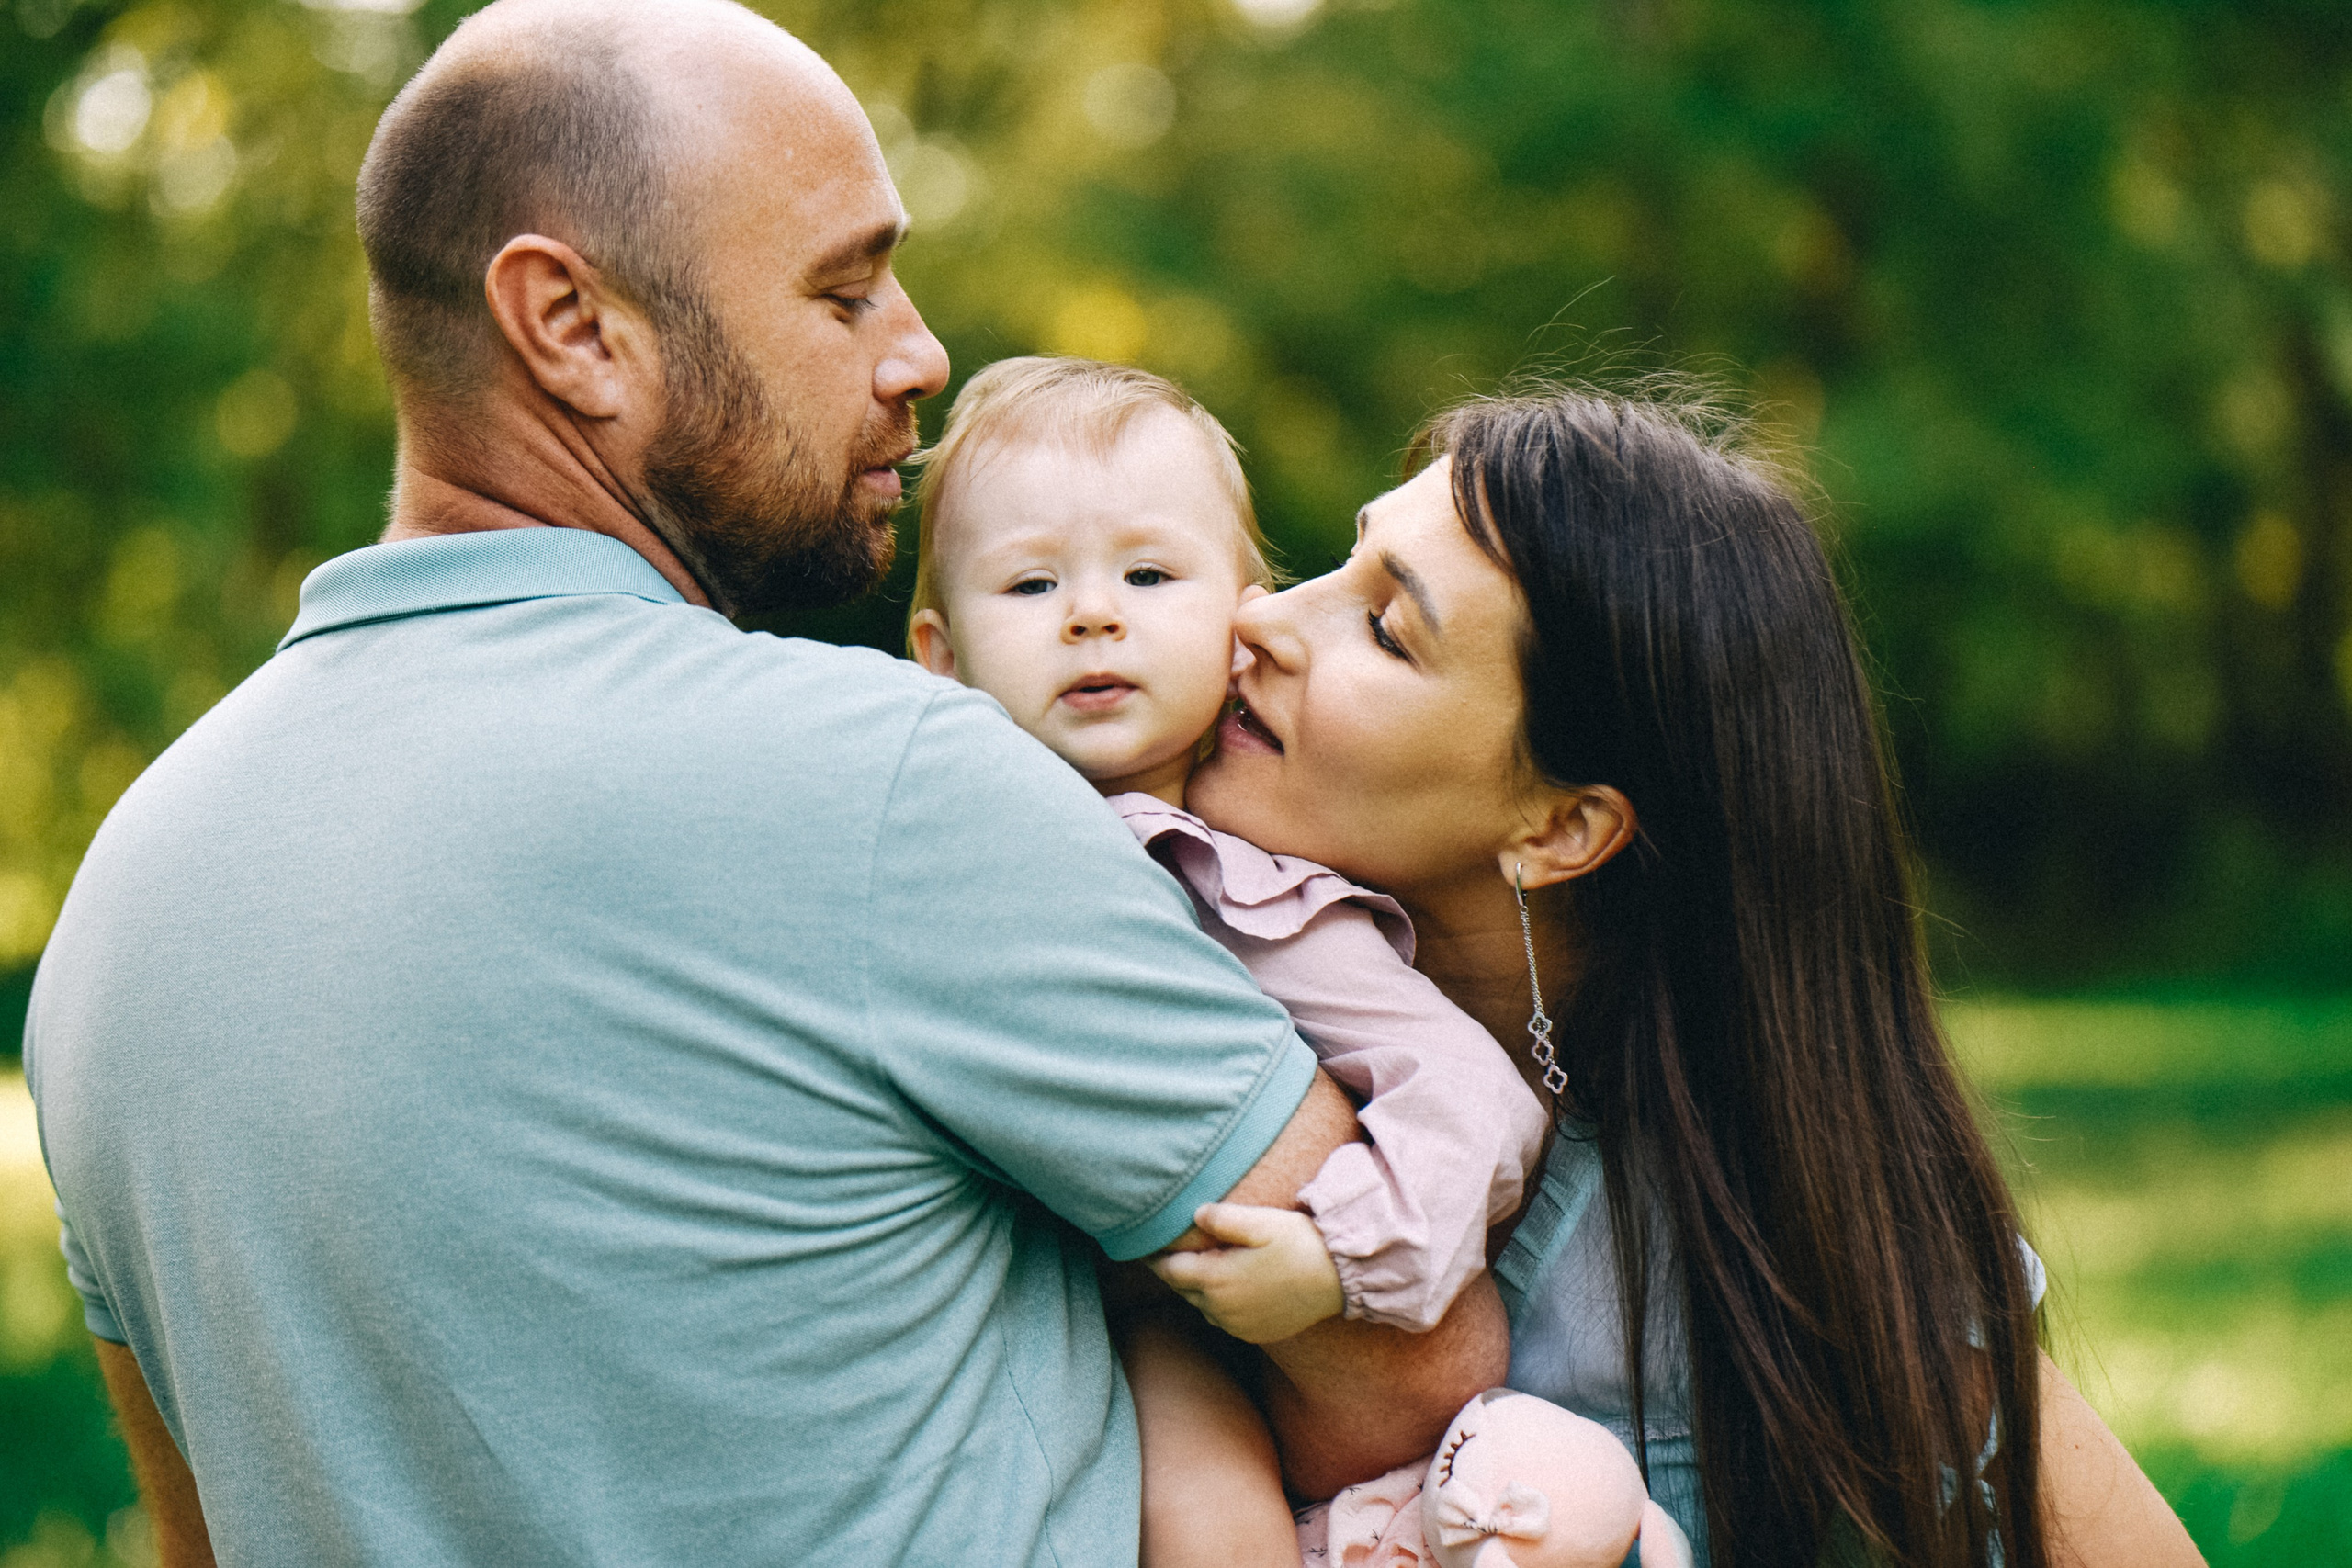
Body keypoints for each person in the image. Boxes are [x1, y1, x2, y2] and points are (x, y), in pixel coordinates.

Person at [21, 5, 1500, 1563]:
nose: (920, 352)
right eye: (845, 288)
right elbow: (1412, 1375)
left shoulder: (122, 907)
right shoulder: (890, 781)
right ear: (573, 327)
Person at [1183, 388, 2208, 1568]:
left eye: (1385, 628)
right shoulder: (1171, 985)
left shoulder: (1768, 1214)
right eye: (1337, 565)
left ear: (1561, 826)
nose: (1260, 616)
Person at [903, 355, 1549, 1563]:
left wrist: (1341, 1255)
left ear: (1236, 613)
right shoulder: (932, 834)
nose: (1093, 613)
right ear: (939, 653)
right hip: (966, 1292)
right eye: (1033, 582)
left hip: (1183, 1329)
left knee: (1207, 1515)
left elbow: (1473, 1096)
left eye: (1149, 575)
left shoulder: (1257, 896)